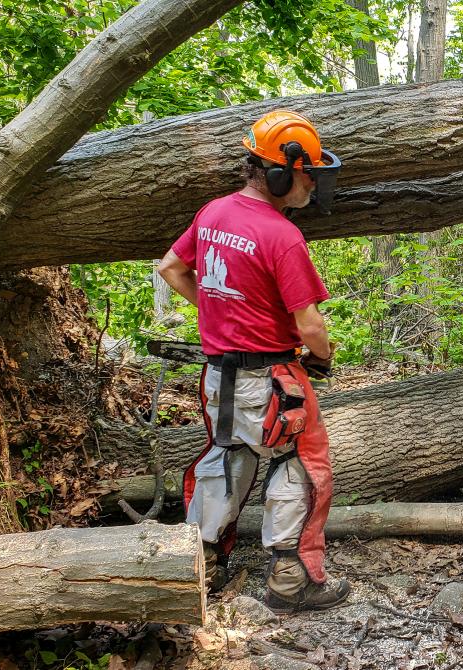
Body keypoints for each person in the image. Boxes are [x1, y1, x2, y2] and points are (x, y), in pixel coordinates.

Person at [157, 109, 349, 613]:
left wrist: (216, 309)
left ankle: (197, 567)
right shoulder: (281, 235)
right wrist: (322, 358)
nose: (312, 186)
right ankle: (292, 579)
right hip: (270, 377)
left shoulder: (214, 212)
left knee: (227, 457)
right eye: (308, 175)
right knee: (298, 465)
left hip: (218, 376)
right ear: (282, 173)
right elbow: (310, 327)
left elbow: (172, 268)